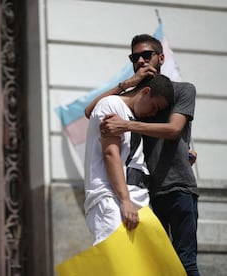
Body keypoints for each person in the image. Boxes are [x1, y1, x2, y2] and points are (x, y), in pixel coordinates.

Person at [85, 34, 200, 276]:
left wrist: (127, 126)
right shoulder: (127, 101)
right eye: (134, 57)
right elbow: (91, 112)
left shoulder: (181, 90)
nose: (140, 60)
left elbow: (173, 130)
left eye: (146, 55)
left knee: (184, 264)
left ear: (160, 57)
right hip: (148, 195)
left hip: (178, 187)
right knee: (151, 267)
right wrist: (126, 84)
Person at [84, 74, 174, 245]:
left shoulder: (132, 117)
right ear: (146, 92)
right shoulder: (111, 104)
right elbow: (111, 154)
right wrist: (125, 200)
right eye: (154, 107)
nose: (153, 113)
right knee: (114, 267)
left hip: (136, 202)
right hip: (111, 200)